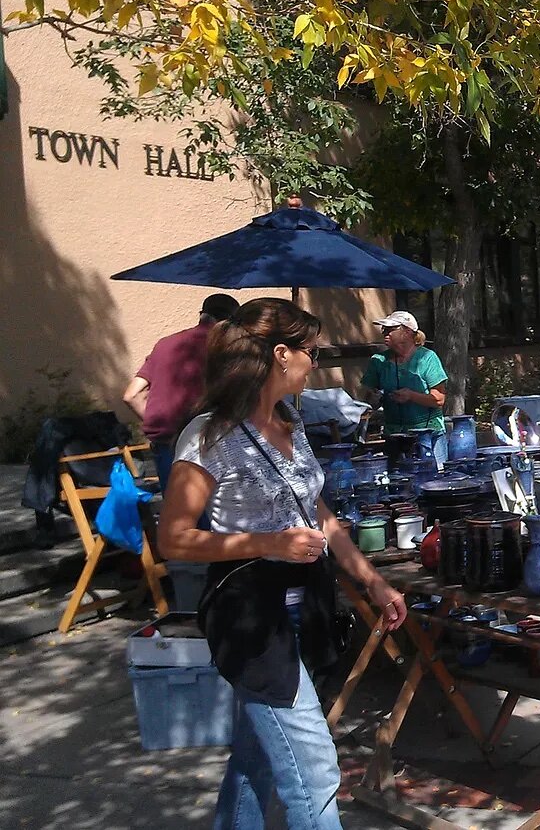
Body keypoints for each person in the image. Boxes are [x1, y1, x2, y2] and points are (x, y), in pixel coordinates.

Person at [156, 298, 406, 830]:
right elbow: (174, 539)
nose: (314, 362)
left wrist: (373, 581)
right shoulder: (209, 435)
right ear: (280, 354)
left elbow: (318, 513)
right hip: (250, 615)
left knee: (259, 761)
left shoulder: (288, 421)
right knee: (313, 773)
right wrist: (267, 543)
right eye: (310, 352)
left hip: (304, 607)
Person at [123, 293, 241, 488]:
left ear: (202, 314)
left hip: (165, 444)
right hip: (206, 444)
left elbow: (131, 395)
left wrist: (163, 425)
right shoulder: (224, 348)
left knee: (176, 514)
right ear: (228, 322)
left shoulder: (164, 344)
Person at [359, 311, 448, 467]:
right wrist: (373, 398)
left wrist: (411, 396)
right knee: (398, 484)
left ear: (407, 332)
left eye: (390, 329)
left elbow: (439, 399)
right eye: (383, 330)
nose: (384, 333)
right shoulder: (378, 361)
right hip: (394, 435)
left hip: (427, 434)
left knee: (434, 481)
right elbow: (367, 398)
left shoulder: (427, 358)